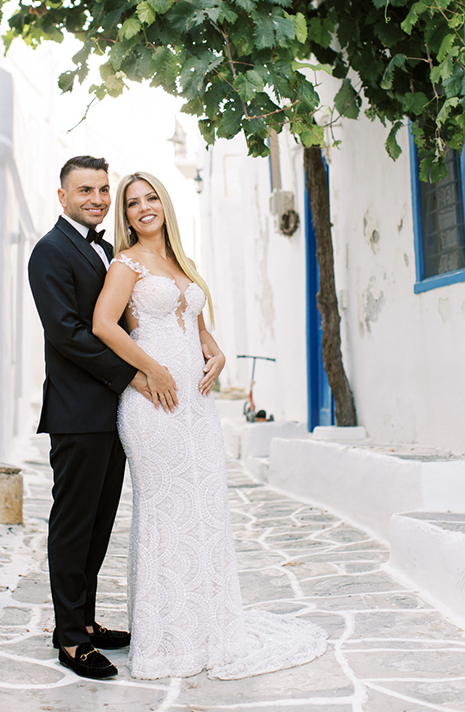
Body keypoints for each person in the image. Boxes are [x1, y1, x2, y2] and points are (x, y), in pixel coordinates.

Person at [93, 172, 327, 679]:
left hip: (197, 408)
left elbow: (197, 328)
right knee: (164, 512)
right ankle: (166, 640)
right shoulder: (125, 265)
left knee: (204, 510)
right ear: (126, 215)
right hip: (152, 406)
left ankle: (207, 628)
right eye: (133, 203)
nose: (143, 207)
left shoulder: (185, 263)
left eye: (151, 197)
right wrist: (149, 370)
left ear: (164, 202)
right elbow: (103, 325)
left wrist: (215, 351)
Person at [28, 156, 174, 681]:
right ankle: (69, 639)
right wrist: (133, 375)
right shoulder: (48, 252)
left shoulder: (107, 250)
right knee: (72, 524)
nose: (95, 198)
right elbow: (67, 332)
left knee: (98, 524)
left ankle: (84, 622)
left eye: (102, 190)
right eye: (84, 189)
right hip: (77, 411)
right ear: (62, 196)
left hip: (114, 412)